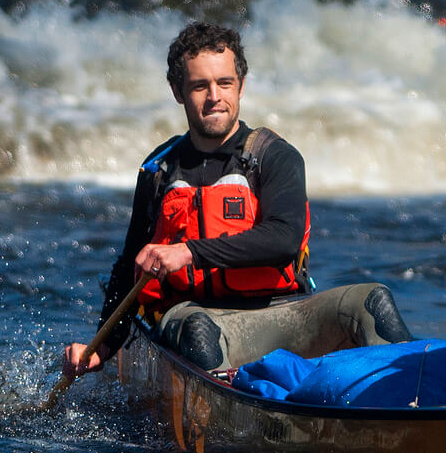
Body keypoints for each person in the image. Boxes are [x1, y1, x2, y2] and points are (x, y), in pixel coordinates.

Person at [64, 22, 410, 379]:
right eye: (200, 86)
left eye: (224, 83)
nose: (214, 96)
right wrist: (102, 347)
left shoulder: (275, 156)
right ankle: (235, 413)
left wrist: (189, 252)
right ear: (178, 91)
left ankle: (413, 399)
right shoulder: (159, 170)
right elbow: (129, 269)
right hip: (197, 319)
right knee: (197, 328)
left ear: (241, 86)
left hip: (281, 317)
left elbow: (283, 240)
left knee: (372, 301)